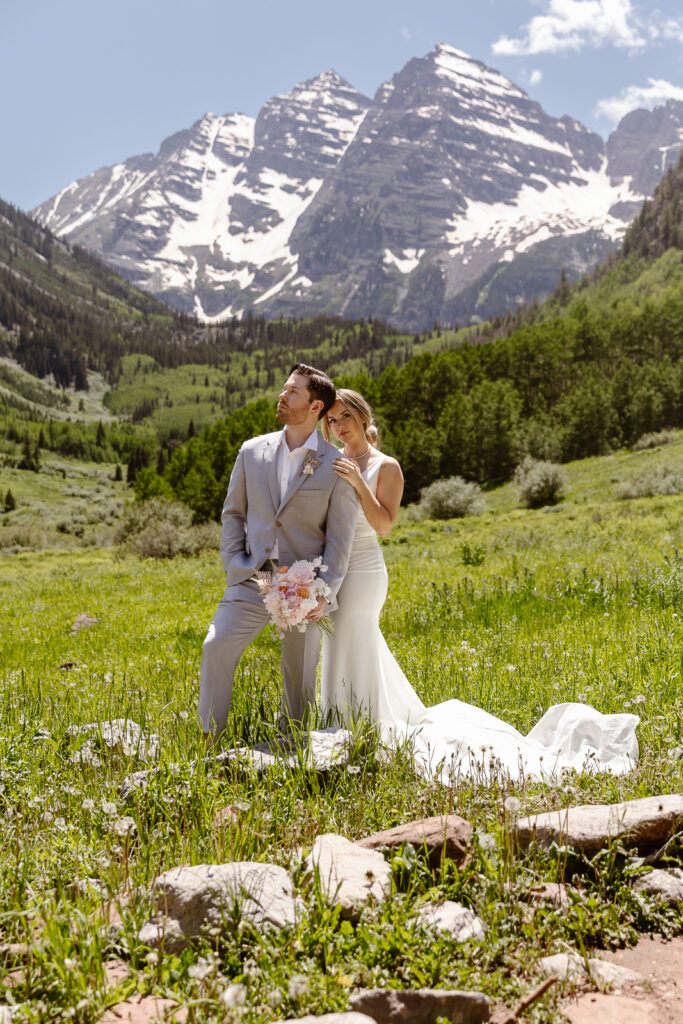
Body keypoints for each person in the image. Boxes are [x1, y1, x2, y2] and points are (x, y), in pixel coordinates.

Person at [320, 389, 639, 782]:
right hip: (334, 570)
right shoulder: (331, 460)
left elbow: (384, 525)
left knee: (357, 638)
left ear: (362, 417)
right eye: (331, 421)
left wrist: (357, 482)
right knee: (339, 645)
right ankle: (340, 726)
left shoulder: (386, 467)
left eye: (344, 416)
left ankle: (364, 731)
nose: (338, 426)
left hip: (366, 569)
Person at [199, 364, 358, 741]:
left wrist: (323, 591)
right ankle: (210, 741)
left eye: (293, 392)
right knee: (215, 646)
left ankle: (295, 747)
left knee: (299, 676)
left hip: (303, 589)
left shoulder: (337, 466)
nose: (282, 396)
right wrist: (234, 563)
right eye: (284, 389)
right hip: (251, 578)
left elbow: (339, 539)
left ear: (316, 406)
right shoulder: (251, 451)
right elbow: (233, 513)